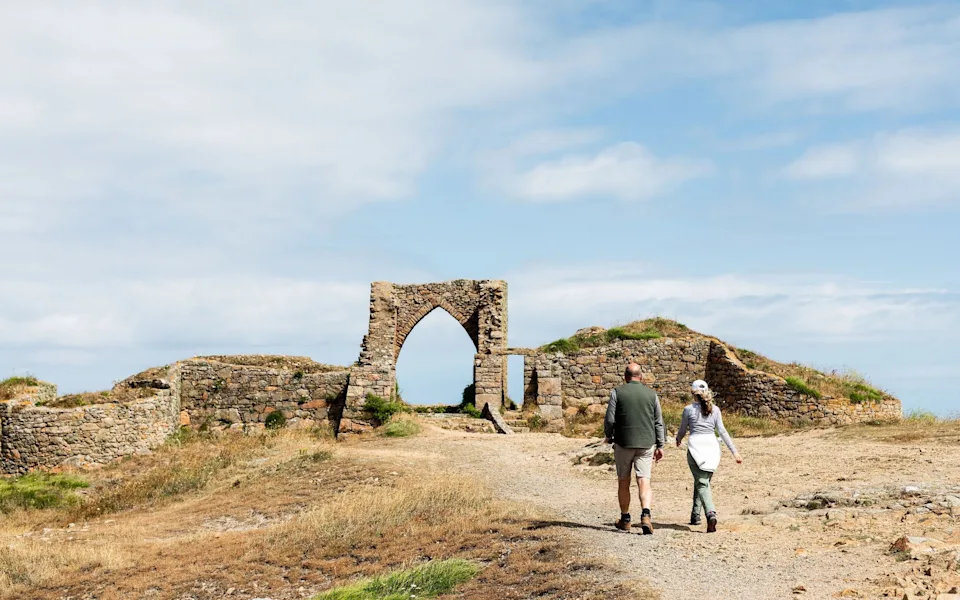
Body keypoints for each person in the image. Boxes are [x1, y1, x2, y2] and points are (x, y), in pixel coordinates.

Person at [603, 362, 665, 535]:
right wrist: (660, 445)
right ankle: (646, 515)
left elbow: (610, 419)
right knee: (644, 480)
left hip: (624, 443)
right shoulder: (652, 395)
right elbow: (658, 421)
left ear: (625, 376)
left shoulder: (617, 392)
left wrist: (609, 435)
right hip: (646, 443)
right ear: (641, 376)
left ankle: (626, 519)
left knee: (624, 481)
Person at [675, 379, 743, 533]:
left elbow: (682, 429)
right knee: (702, 481)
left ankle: (710, 513)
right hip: (712, 448)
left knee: (702, 482)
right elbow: (723, 431)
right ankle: (695, 515)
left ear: (693, 393)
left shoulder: (688, 409)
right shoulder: (716, 410)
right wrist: (734, 451)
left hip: (695, 447)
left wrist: (678, 439)